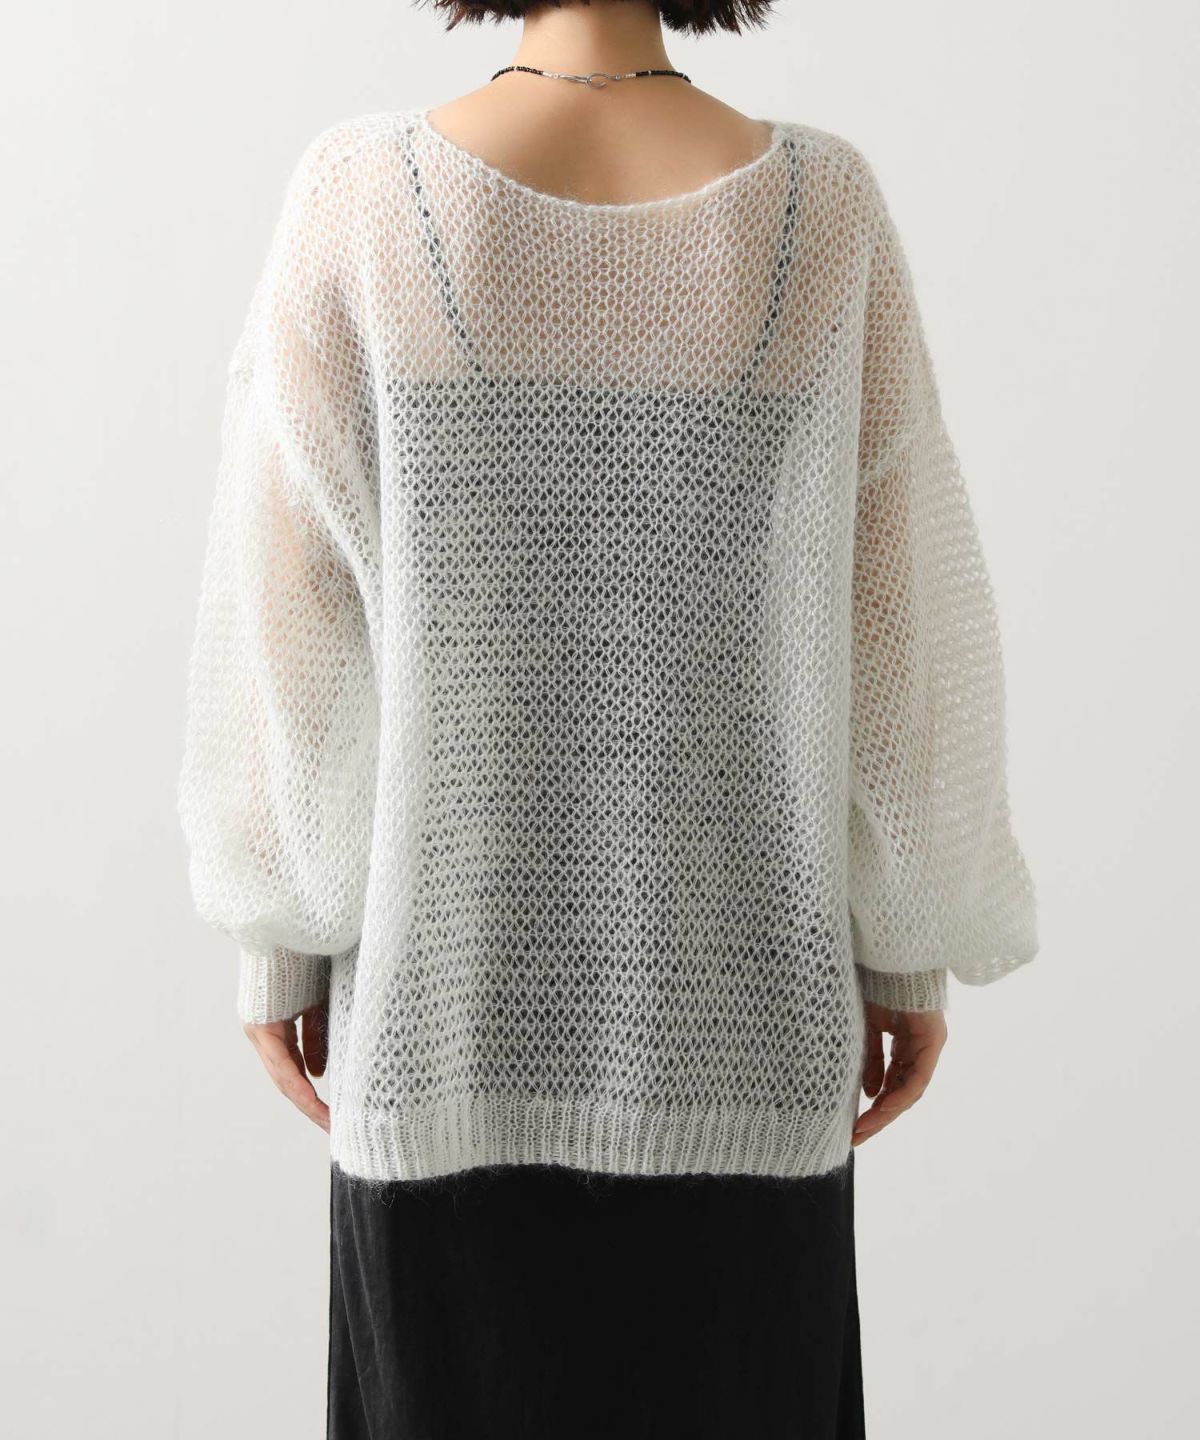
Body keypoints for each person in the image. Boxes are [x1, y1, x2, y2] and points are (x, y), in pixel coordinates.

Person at [176, 0, 1040, 1434]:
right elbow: (897, 619)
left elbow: (290, 608)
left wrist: (279, 940)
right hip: (750, 1040)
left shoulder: (362, 197)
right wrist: (909, 942)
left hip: (446, 1036)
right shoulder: (820, 209)